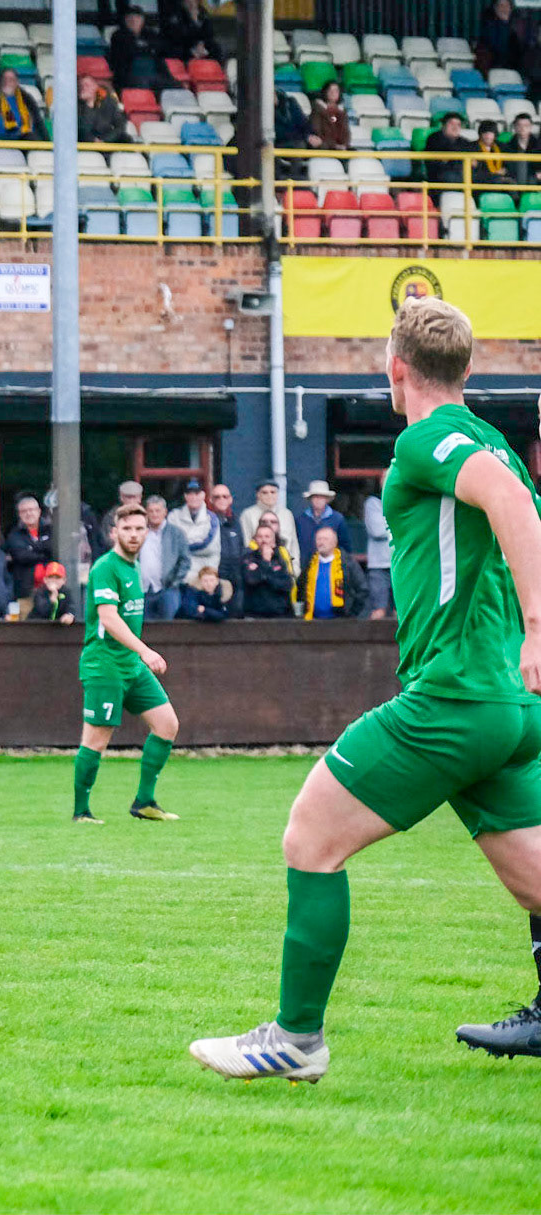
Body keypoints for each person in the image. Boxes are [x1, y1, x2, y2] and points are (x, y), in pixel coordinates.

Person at [192, 296, 541, 1077]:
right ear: (468, 368)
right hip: (511, 709)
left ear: (394, 369)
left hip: (452, 698)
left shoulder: (431, 437)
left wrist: (538, 623)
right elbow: (523, 510)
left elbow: (514, 507)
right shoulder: (496, 441)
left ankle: (295, 1039)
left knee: (310, 836)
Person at [73, 503, 181, 825]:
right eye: (127, 529)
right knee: (96, 739)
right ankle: (81, 812)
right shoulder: (106, 567)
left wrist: (138, 656)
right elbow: (108, 617)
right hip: (104, 665)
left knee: (167, 725)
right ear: (114, 533)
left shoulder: (134, 568)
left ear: (147, 532)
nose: (133, 535)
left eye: (139, 529)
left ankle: (144, 802)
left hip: (130, 665)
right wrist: (146, 651)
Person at [299, 525, 369, 620]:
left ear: (334, 542)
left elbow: (362, 589)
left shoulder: (347, 563)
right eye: (318, 539)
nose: (321, 542)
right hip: (313, 620)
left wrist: (352, 613)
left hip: (341, 621)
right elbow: (300, 588)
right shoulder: (310, 563)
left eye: (325, 539)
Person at [140, 495, 189, 621]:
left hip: (167, 590)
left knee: (168, 630)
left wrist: (174, 582)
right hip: (143, 591)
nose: (154, 514)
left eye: (158, 511)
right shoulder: (140, 533)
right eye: (151, 511)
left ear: (165, 512)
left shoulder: (176, 533)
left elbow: (185, 561)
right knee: (143, 630)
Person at [168, 479, 221, 596]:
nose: (193, 497)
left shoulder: (212, 518)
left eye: (197, 493)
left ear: (203, 495)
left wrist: (185, 543)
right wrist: (197, 541)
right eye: (189, 493)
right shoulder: (173, 516)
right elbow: (172, 547)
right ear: (185, 496)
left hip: (205, 580)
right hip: (181, 578)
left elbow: (211, 548)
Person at [2, 493, 53, 614]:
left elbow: (52, 549)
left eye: (31, 510)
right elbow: (21, 556)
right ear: (19, 514)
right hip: (26, 591)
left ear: (39, 511)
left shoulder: (51, 529)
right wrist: (43, 553)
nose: (29, 513)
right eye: (24, 511)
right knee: (26, 628)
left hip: (51, 590)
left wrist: (31, 548)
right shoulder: (14, 534)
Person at [241, 519, 296, 619]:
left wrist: (266, 577)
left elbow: (287, 584)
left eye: (267, 536)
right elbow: (252, 580)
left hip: (279, 614)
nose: (263, 540)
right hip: (255, 615)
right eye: (260, 536)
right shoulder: (248, 558)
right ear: (255, 539)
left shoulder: (280, 558)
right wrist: (266, 562)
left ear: (273, 540)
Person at [240, 480, 300, 568]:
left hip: (285, 564)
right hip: (258, 565)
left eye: (273, 492)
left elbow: (294, 544)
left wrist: (296, 567)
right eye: (265, 492)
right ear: (258, 495)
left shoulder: (287, 514)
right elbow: (246, 542)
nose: (269, 495)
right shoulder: (248, 514)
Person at [208, 483, 246, 616]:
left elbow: (242, 546)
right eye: (217, 497)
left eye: (225, 496)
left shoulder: (236, 521)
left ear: (230, 499)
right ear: (211, 500)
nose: (221, 500)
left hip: (236, 575)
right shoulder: (207, 520)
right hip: (216, 574)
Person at [107, 5, 162, 92]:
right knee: (143, 85)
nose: (134, 20)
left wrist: (139, 48)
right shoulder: (118, 35)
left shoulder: (151, 34)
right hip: (129, 76)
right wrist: (146, 49)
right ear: (125, 20)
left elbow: (159, 52)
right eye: (130, 17)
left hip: (154, 74)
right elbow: (125, 53)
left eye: (137, 17)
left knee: (175, 86)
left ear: (143, 20)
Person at [363, 472, 393, 619]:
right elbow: (377, 530)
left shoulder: (405, 501)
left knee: (401, 613)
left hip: (400, 563)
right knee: (378, 611)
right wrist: (400, 523)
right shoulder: (373, 502)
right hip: (378, 566)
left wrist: (386, 521)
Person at [296, 479, 352, 558]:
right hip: (306, 566)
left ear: (327, 499)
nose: (318, 500)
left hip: (332, 566)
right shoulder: (300, 520)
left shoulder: (338, 519)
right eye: (315, 497)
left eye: (322, 497)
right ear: (310, 499)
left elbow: (345, 547)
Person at [425, 112, 474, 186]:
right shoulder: (434, 138)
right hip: (440, 176)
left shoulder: (464, 142)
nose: (455, 127)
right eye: (451, 124)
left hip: (461, 174)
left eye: (458, 125)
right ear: (443, 125)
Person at [78, 73, 129, 144]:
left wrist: (105, 140)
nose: (84, 88)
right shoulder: (76, 106)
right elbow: (82, 130)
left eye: (87, 85)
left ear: (95, 87)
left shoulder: (109, 103)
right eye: (81, 86)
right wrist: (88, 103)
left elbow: (120, 125)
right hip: (86, 145)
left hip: (107, 142)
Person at [310, 80, 350, 153]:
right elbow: (316, 131)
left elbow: (346, 132)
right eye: (330, 90)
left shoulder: (342, 112)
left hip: (340, 147)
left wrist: (344, 145)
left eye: (336, 91)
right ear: (325, 92)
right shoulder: (317, 109)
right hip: (324, 147)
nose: (333, 93)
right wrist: (334, 146)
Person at [508, 112, 540, 187]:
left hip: (535, 180)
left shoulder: (538, 145)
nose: (522, 128)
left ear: (531, 126)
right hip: (514, 181)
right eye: (519, 125)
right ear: (514, 126)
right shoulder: (507, 146)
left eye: (526, 125)